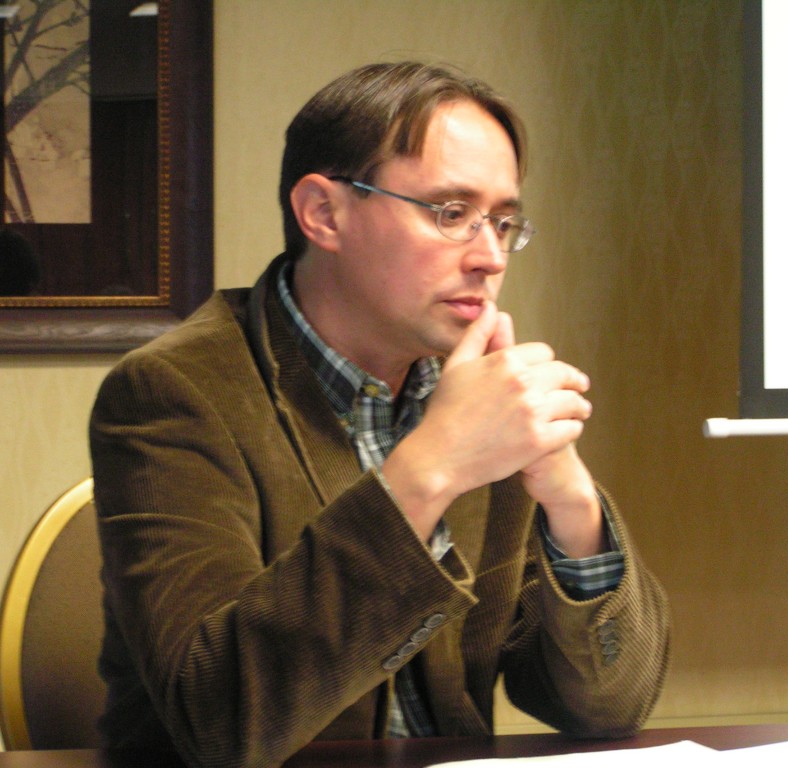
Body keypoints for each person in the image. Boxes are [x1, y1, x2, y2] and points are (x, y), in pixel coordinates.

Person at [89, 61, 670, 768]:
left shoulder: (478, 391)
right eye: (452, 214)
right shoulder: (173, 392)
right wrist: (428, 472)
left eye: (505, 222)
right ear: (324, 213)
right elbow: (221, 720)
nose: (490, 257)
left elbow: (608, 706)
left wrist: (571, 502)